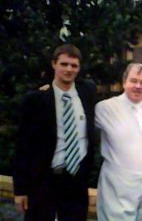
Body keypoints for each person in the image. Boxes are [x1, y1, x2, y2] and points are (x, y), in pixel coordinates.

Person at [13, 44, 97, 221]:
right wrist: (20, 189)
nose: (69, 69)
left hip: (76, 178)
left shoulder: (87, 91)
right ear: (54, 64)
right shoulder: (36, 100)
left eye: (74, 65)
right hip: (44, 179)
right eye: (64, 64)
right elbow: (22, 146)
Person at [95, 63, 142, 221]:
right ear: (124, 82)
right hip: (120, 185)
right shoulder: (105, 108)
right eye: (133, 81)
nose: (138, 86)